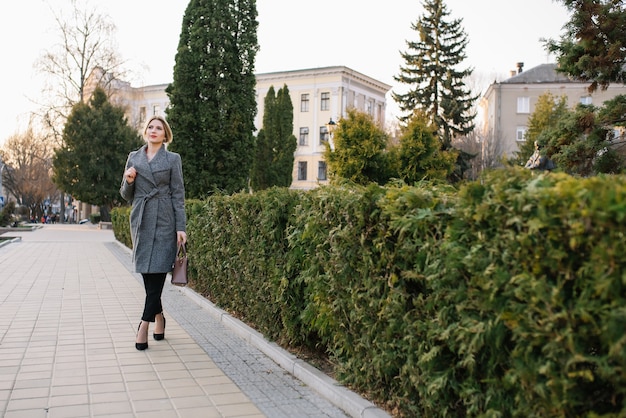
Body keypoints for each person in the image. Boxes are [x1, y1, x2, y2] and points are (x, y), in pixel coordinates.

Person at [120, 115, 187, 351]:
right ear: (146, 132)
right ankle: (159, 318)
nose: (154, 130)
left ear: (165, 134)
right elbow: (125, 195)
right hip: (141, 220)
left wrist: (181, 227)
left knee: (157, 274)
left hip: (165, 219)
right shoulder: (134, 157)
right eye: (150, 127)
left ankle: (143, 326)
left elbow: (178, 195)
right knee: (148, 276)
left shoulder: (172, 159)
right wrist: (128, 180)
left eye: (159, 128)